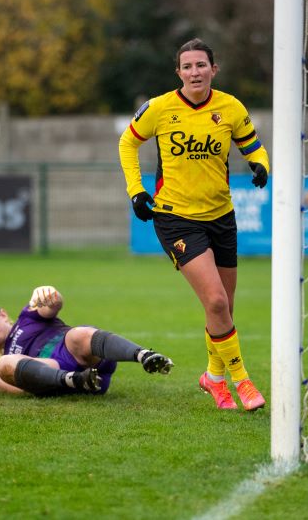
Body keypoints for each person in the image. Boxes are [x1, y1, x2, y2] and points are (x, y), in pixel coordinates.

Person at [118, 38, 269, 411]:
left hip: (221, 216)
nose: (194, 72)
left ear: (213, 70)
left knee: (223, 309)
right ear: (179, 72)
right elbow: (127, 143)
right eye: (187, 66)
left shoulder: (230, 107)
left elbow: (252, 144)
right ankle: (241, 381)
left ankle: (213, 378)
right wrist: (136, 191)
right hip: (176, 218)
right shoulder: (159, 108)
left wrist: (261, 163)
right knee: (216, 300)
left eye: (201, 65)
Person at [0, 285, 174, 396]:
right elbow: (17, 387)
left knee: (76, 334)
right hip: (56, 372)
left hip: (79, 352)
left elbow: (52, 305)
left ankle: (144, 355)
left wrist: (47, 292)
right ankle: (75, 380)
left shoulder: (26, 318)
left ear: (2, 314)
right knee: (4, 363)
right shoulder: (9, 358)